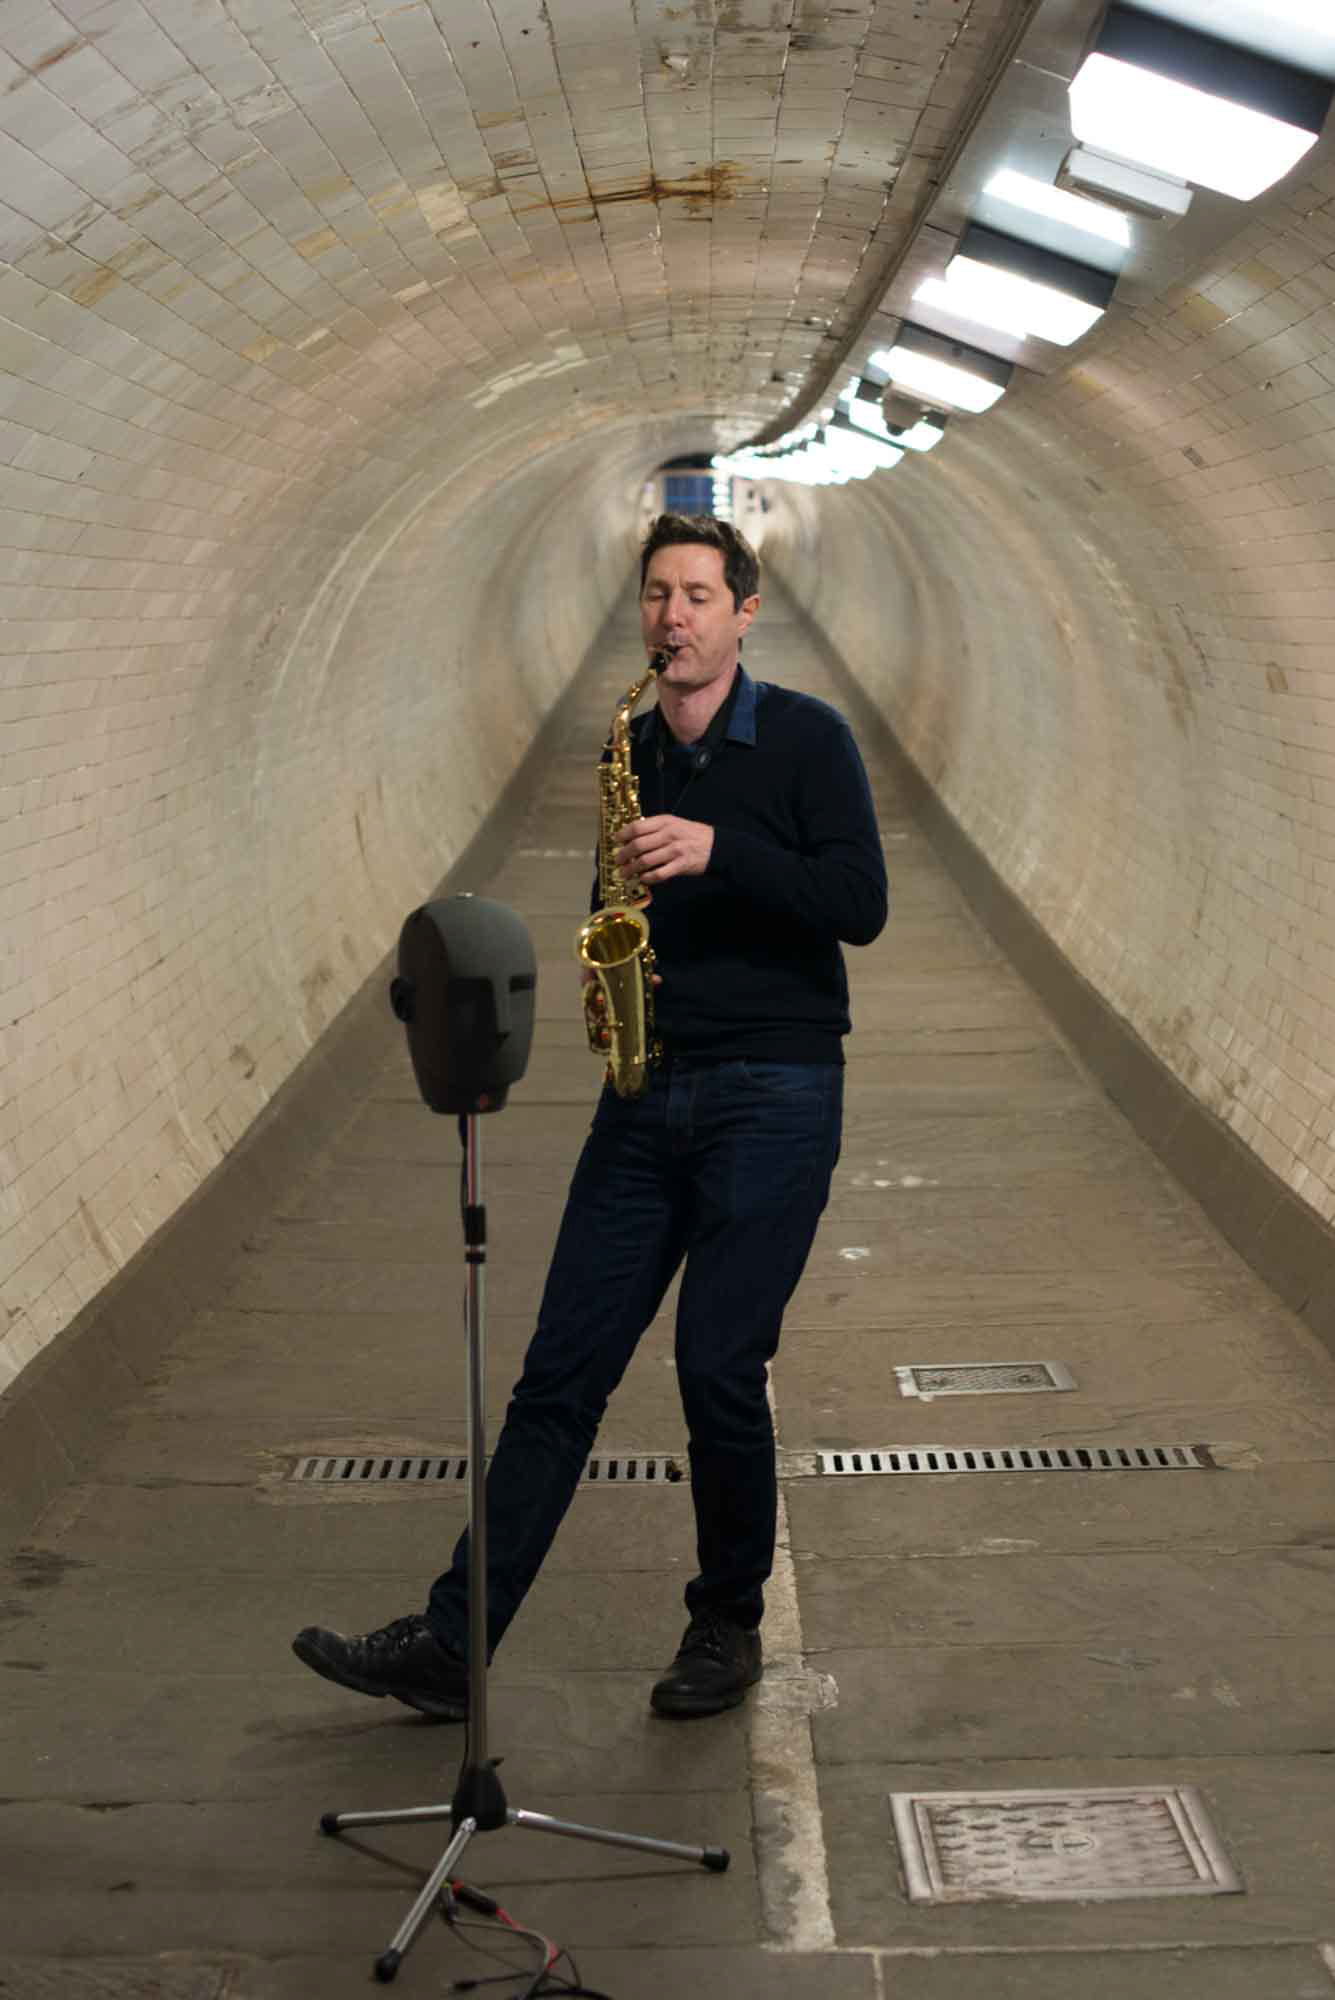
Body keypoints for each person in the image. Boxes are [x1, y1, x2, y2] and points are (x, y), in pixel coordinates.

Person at [293, 514, 888, 1721]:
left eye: (699, 597)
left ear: (744, 611)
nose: (675, 617)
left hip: (773, 1090)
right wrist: (600, 964)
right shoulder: (631, 738)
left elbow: (859, 902)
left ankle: (726, 1621)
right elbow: (616, 892)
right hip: (646, 1090)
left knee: (718, 1364)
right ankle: (453, 1646)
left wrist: (725, 848)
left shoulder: (810, 739)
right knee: (557, 1374)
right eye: (659, 595)